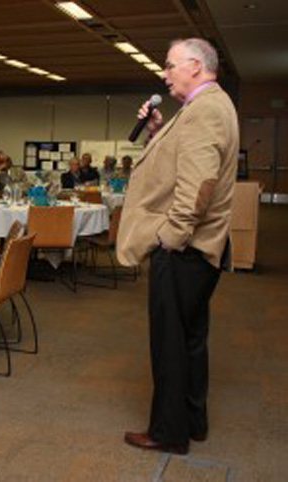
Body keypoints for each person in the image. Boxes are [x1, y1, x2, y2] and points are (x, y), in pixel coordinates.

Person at [117, 38, 239, 455]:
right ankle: (193, 420)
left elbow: (198, 186)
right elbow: (180, 165)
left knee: (169, 342)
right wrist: (156, 131)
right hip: (200, 247)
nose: (164, 74)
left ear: (195, 66)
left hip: (185, 248)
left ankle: (169, 432)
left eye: (170, 65)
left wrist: (170, 238)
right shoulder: (208, 105)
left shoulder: (205, 110)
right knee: (190, 339)